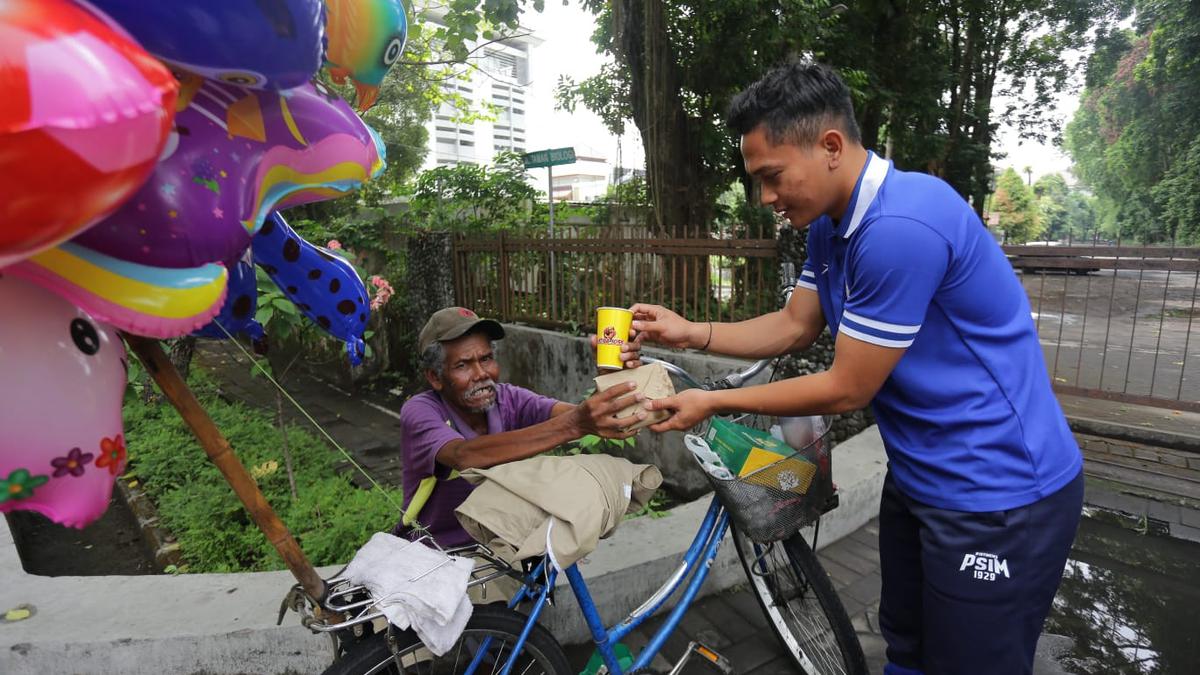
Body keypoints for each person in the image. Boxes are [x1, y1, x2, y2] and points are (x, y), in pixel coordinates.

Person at [629, 60, 1084, 675]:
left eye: (772, 176)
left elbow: (847, 387)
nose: (765, 198)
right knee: (907, 645)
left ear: (832, 147)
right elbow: (796, 324)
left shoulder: (900, 226)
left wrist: (714, 403)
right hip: (924, 474)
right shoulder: (831, 224)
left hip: (999, 492)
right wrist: (690, 330)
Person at [395, 306, 644, 550]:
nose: (481, 374)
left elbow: (582, 415)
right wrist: (577, 423)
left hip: (505, 543)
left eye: (486, 358)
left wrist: (612, 379)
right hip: (439, 553)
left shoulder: (509, 399)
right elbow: (464, 455)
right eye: (463, 365)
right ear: (435, 377)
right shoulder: (420, 411)